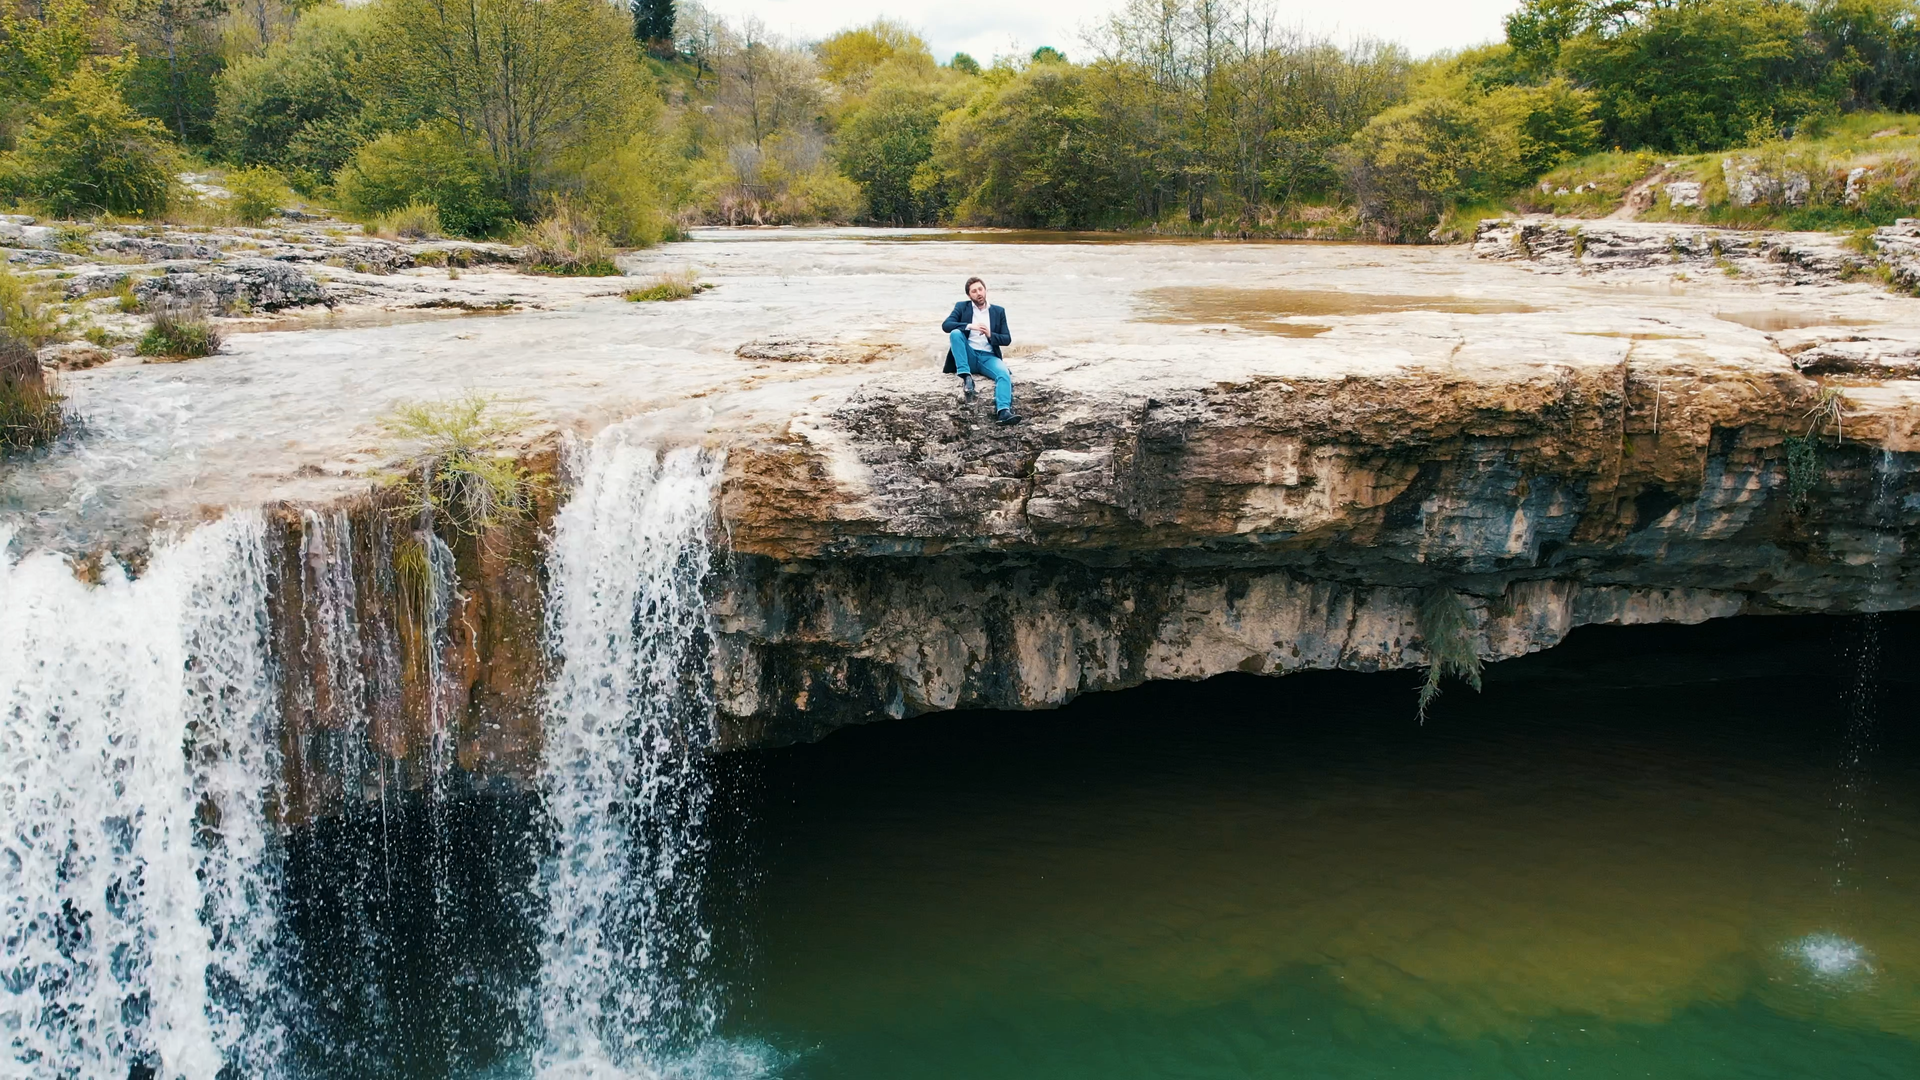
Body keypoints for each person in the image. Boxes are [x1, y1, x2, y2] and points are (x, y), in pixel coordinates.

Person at [942, 276, 1019, 425]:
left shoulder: (998, 311)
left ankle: (1004, 411)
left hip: (988, 357)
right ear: (969, 295)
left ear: (985, 290)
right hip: (969, 354)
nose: (978, 293)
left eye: (980, 289)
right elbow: (946, 325)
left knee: (1003, 374)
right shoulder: (962, 307)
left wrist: (990, 334)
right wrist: (970, 326)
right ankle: (966, 376)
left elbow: (1007, 339)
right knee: (955, 333)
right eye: (974, 291)